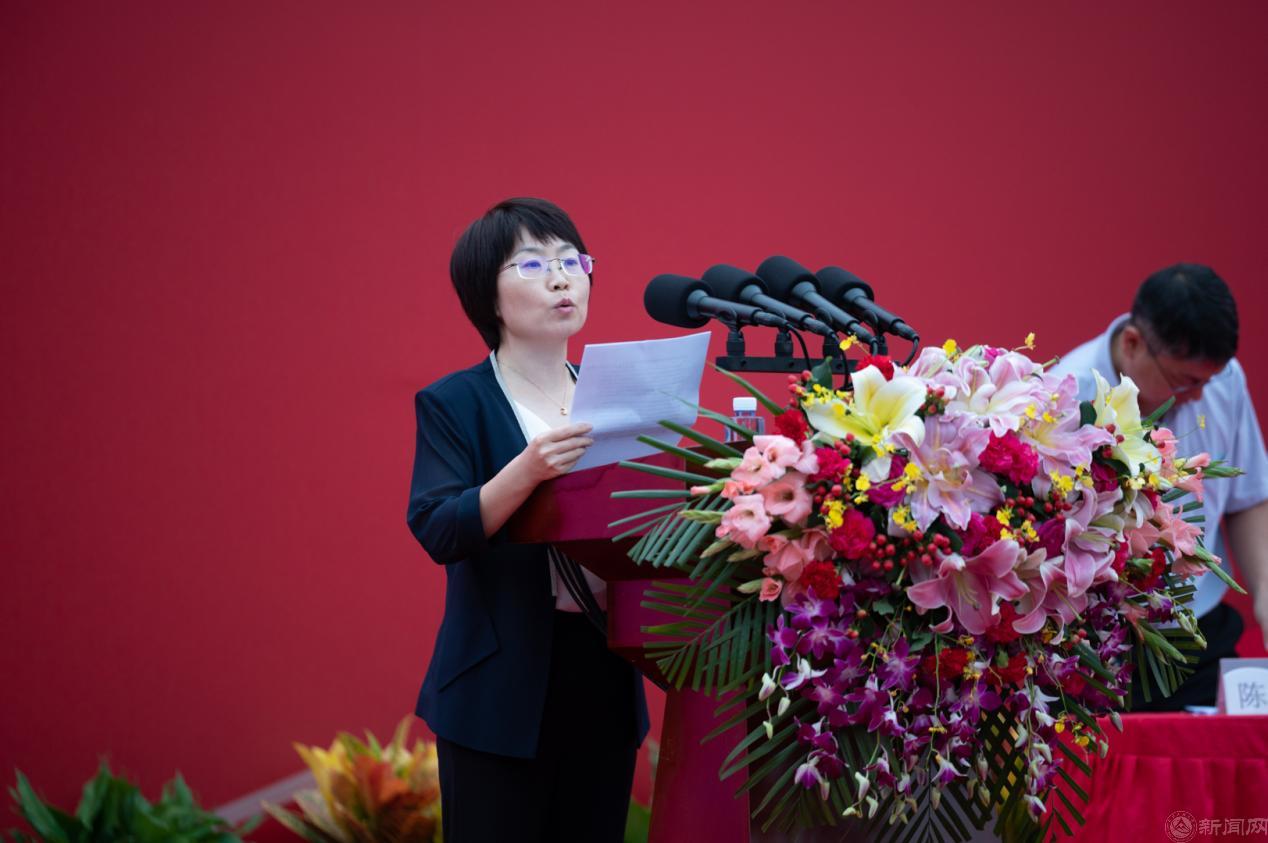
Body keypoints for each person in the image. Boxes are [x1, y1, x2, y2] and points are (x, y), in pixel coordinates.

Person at [407, 197, 649, 841]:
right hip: (499, 683)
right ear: (486, 296)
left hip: (603, 668)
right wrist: (527, 468)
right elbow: (437, 526)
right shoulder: (455, 402)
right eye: (534, 264)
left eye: (572, 261)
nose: (561, 278)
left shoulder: (619, 396)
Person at [1051, 263, 1268, 710]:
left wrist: (1265, 590)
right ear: (1133, 343)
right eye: (1186, 382)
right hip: (1096, 646)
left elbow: (1247, 498)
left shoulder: (1223, 381)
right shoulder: (1065, 397)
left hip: (1195, 633)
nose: (1200, 396)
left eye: (1207, 381)